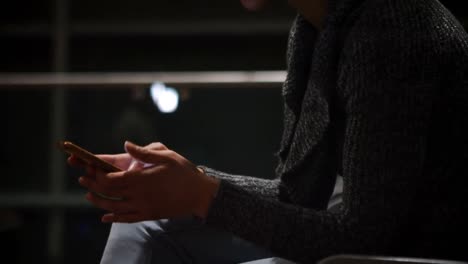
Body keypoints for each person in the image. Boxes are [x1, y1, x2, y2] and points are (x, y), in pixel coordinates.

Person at [68, 0, 468, 263]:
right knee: (139, 223)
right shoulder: (314, 29)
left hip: (405, 255)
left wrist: (199, 193)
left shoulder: (393, 28)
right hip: (346, 245)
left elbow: (365, 239)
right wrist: (187, 181)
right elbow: (296, 195)